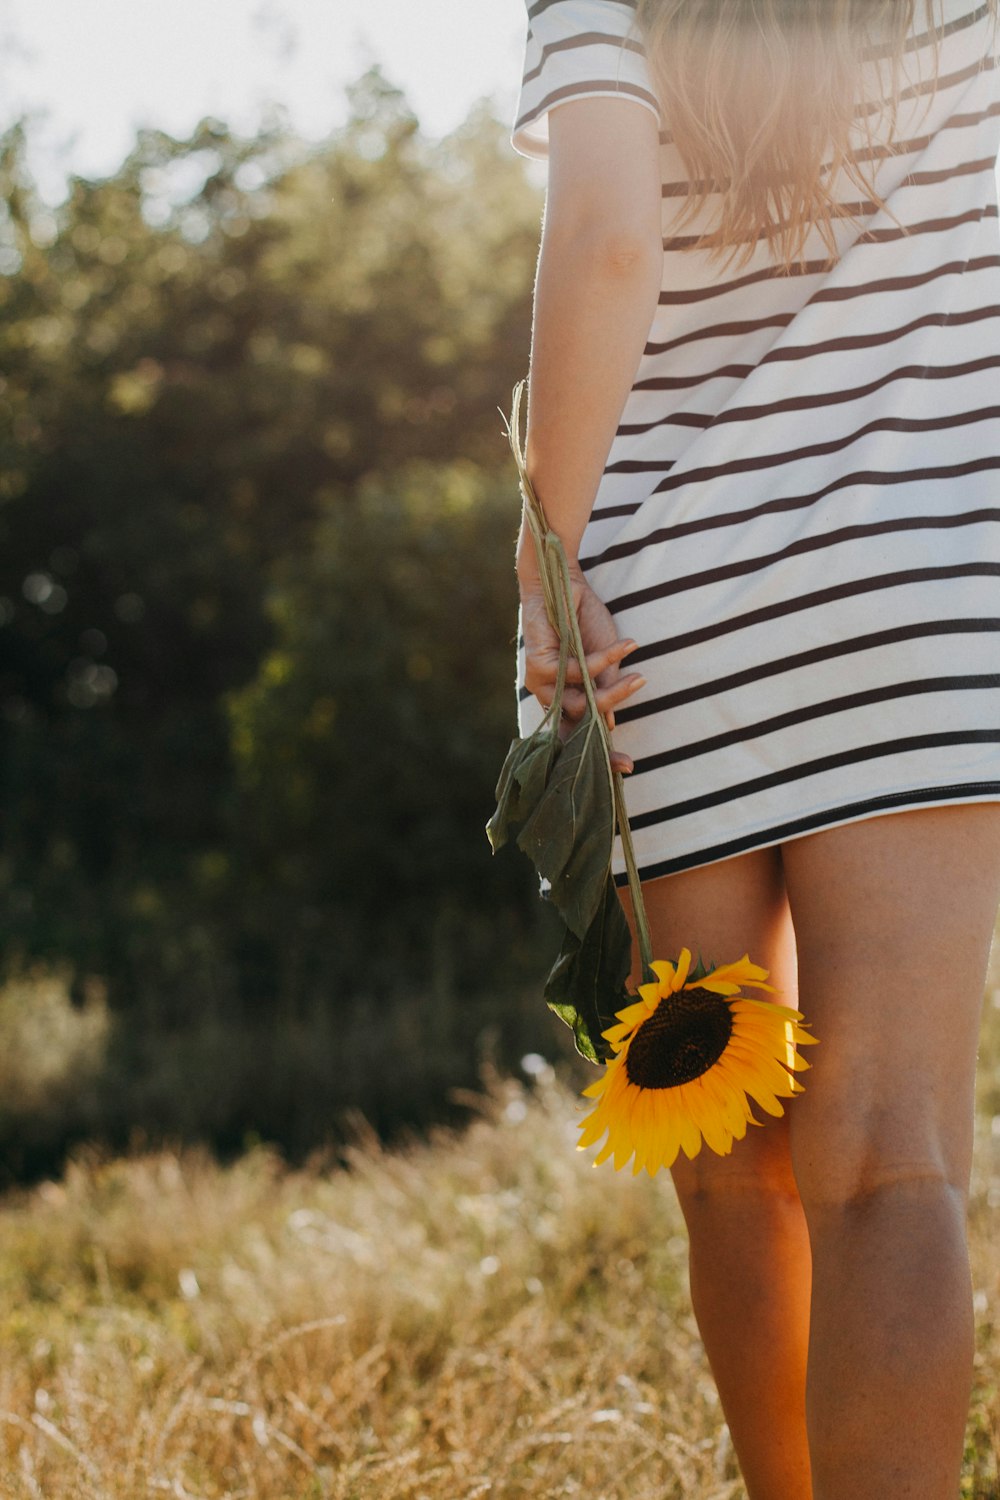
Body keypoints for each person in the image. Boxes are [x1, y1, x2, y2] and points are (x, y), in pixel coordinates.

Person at [510, 0, 1000, 1495]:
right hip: (921, 594)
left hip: (659, 624)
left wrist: (544, 546)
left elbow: (603, 241)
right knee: (892, 1158)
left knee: (732, 1173)